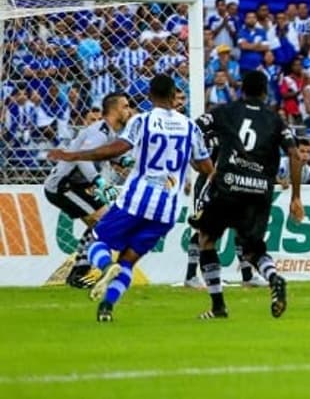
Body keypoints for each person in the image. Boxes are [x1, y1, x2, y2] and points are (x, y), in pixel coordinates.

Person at [48, 75, 213, 322]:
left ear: (149, 97)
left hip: (137, 200)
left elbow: (115, 149)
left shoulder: (142, 120)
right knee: (127, 262)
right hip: (167, 210)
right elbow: (206, 168)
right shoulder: (190, 127)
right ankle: (106, 308)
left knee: (95, 239)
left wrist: (74, 156)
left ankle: (105, 267)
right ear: (173, 97)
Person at [191, 70, 304, 318]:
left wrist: (202, 163)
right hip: (259, 192)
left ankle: (218, 306)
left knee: (207, 240)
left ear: (242, 90)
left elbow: (194, 129)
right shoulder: (275, 120)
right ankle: (274, 277)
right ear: (265, 92)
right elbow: (296, 156)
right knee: (252, 249)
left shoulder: (225, 111)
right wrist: (296, 197)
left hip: (229, 187)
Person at [43, 92, 132, 288]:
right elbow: (83, 158)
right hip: (62, 185)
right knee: (102, 221)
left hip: (77, 184)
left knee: (101, 222)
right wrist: (99, 182)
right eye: (125, 106)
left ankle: (79, 272)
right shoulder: (99, 131)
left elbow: (103, 154)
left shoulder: (109, 133)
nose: (129, 111)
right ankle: (79, 272)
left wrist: (124, 161)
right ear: (115, 109)